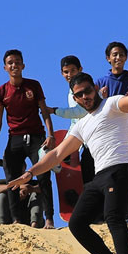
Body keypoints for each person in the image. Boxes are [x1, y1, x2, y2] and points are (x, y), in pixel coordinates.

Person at [9, 53, 128, 254]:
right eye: (79, 95)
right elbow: (57, 154)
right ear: (75, 98)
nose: (85, 97)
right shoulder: (82, 124)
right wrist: (30, 173)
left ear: (95, 89)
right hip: (99, 176)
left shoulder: (112, 104)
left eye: (87, 91)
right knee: (76, 223)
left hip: (119, 169)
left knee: (114, 217)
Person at [0, 49, 56, 228]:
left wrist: (51, 134)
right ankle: (16, 219)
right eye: (10, 63)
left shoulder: (33, 85)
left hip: (36, 137)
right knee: (11, 176)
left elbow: (44, 111)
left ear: (23, 65)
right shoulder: (1, 90)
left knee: (43, 175)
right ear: (5, 67)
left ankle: (49, 218)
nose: (14, 65)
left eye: (17, 62)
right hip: (15, 138)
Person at [95, 42, 128, 162]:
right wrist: (100, 98)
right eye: (115, 54)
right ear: (108, 58)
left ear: (126, 57)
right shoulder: (100, 83)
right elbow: (92, 110)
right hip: (105, 133)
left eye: (122, 55)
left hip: (127, 134)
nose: (118, 57)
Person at [47, 55, 95, 184]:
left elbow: (79, 112)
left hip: (92, 137)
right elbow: (75, 122)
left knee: (91, 172)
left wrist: (55, 111)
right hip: (81, 136)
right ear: (61, 73)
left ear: (80, 69)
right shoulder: (71, 90)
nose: (69, 75)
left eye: (73, 70)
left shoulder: (85, 88)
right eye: (66, 72)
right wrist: (66, 141)